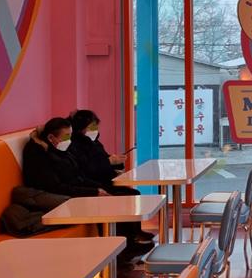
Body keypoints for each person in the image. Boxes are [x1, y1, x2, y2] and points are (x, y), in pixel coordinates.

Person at [22, 117, 152, 263]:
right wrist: (93, 192)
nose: (69, 140)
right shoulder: (42, 157)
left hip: (75, 190)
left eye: (70, 136)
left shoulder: (63, 152)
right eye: (66, 137)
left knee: (121, 196)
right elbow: (56, 187)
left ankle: (127, 246)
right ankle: (119, 255)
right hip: (62, 198)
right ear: (51, 137)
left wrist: (98, 188)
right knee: (107, 204)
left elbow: (79, 176)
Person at [68, 109, 155, 244]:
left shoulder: (94, 142)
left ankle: (135, 233)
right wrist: (109, 162)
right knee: (121, 198)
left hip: (104, 181)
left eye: (96, 126)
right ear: (81, 128)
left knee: (133, 193)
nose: (95, 130)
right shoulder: (75, 145)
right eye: (91, 127)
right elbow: (86, 169)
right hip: (93, 184)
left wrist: (116, 164)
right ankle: (125, 242)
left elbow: (103, 160)